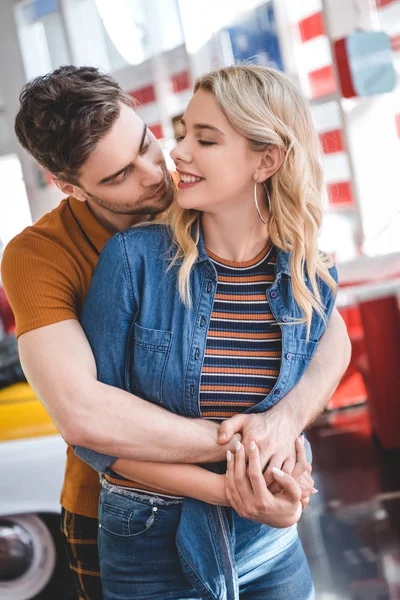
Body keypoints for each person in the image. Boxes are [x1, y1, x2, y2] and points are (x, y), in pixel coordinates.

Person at [1, 66, 350, 600]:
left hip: (258, 519)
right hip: (125, 512)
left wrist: (281, 424)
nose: (155, 173)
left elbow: (327, 333)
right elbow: (85, 415)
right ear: (69, 187)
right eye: (118, 176)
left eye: (147, 143)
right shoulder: (44, 256)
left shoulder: (199, 198)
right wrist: (245, 456)